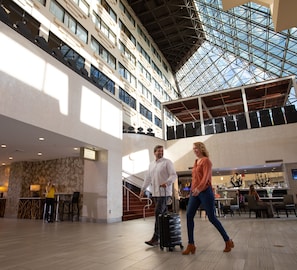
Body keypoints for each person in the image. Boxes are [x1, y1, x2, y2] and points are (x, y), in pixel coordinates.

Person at [182, 142, 234, 255]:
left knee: (211, 217)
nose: (195, 150)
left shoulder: (206, 161)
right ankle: (191, 244)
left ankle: (227, 240)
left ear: (201, 149)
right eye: (193, 148)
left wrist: (199, 188)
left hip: (205, 192)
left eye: (196, 148)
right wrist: (191, 190)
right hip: (194, 193)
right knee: (189, 215)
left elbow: (206, 178)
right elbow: (195, 178)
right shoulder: (196, 162)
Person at [139, 145, 177, 246]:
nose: (161, 153)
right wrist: (143, 189)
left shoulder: (167, 162)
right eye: (158, 151)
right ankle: (166, 237)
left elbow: (173, 175)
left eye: (162, 151)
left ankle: (156, 238)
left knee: (158, 213)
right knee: (163, 216)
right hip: (155, 193)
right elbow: (148, 178)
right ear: (154, 152)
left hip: (165, 193)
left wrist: (167, 182)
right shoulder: (151, 165)